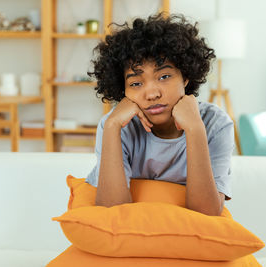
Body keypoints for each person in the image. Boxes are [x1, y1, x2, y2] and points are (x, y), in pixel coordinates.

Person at [85, 13, 235, 216]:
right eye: (136, 83)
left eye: (164, 76)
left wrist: (194, 129)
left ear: (186, 77)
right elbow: (111, 213)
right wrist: (112, 126)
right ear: (123, 90)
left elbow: (207, 213)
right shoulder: (116, 125)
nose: (152, 94)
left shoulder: (215, 124)